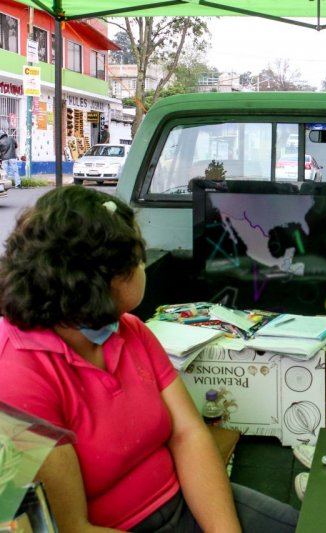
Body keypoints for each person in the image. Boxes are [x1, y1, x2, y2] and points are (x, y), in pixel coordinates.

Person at [0, 187, 298, 532]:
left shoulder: (130, 329)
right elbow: (70, 528)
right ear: (102, 280)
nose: (144, 266)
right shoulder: (17, 376)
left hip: (183, 499)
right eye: (138, 259)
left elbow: (188, 434)